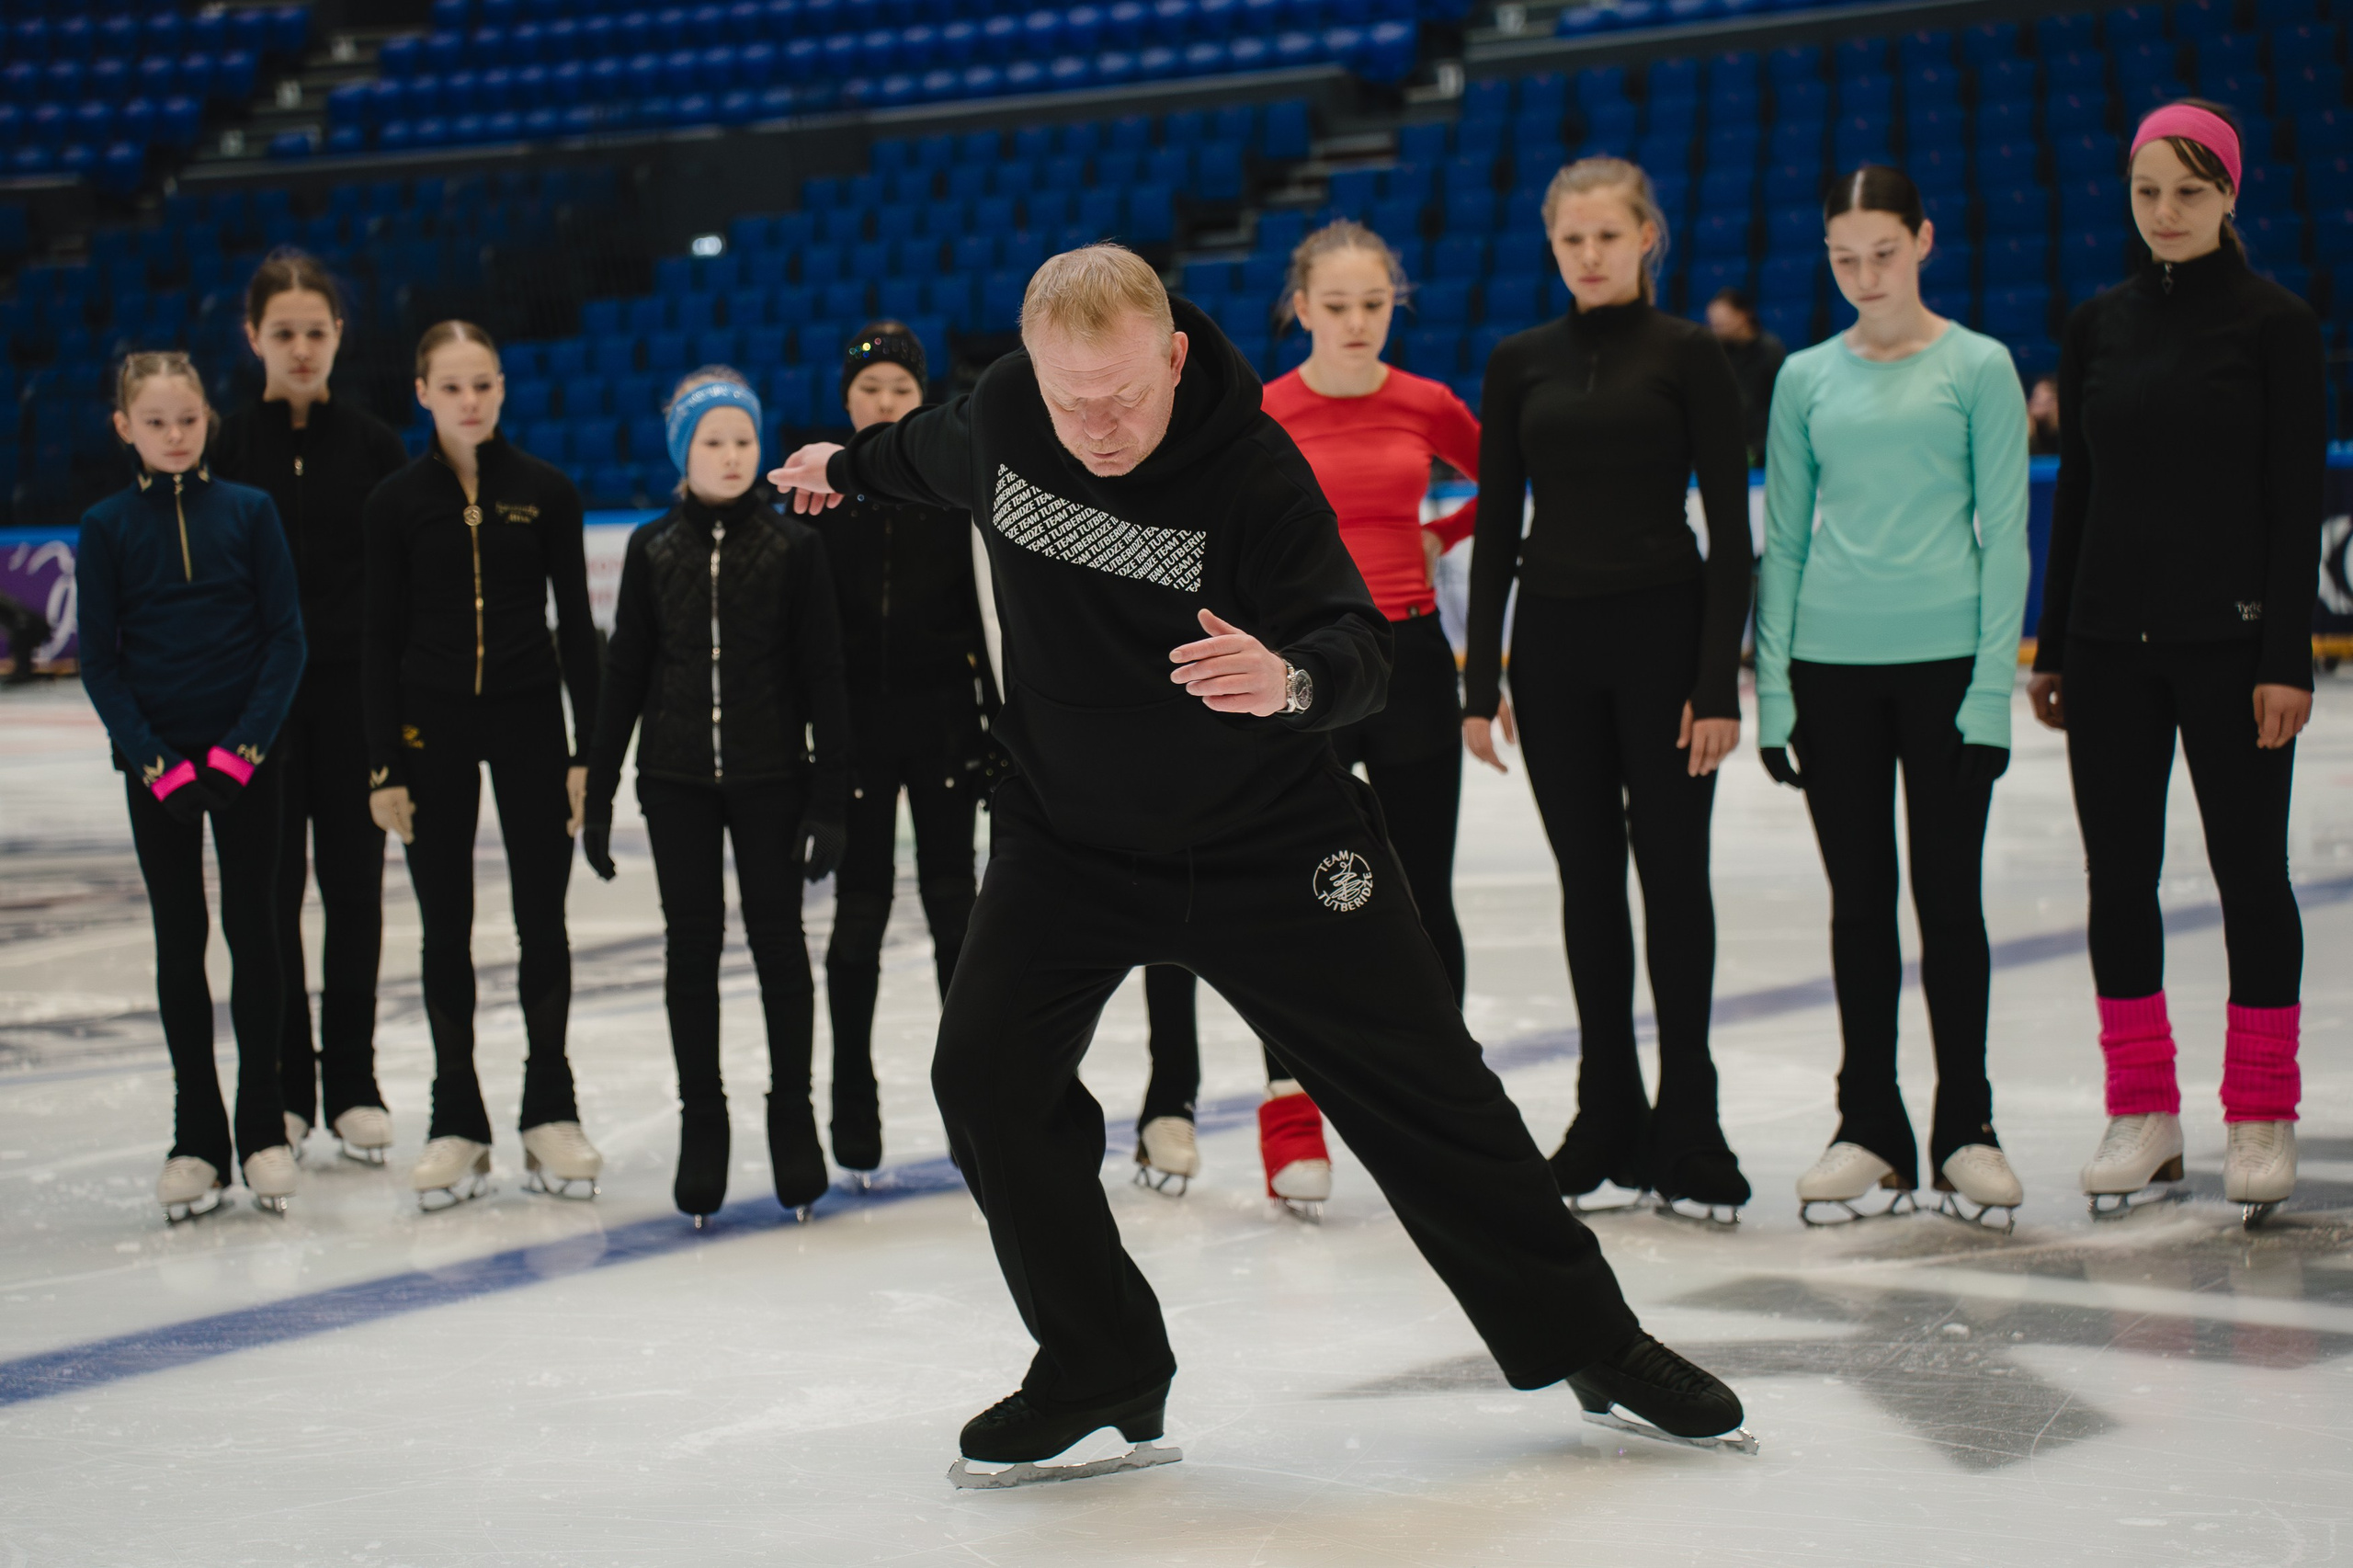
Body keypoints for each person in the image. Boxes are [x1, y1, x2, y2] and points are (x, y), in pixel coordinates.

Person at [767, 244, 1749, 1483]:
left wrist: (1290, 683)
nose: (1098, 426)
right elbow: (923, 452)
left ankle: (1590, 1337)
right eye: (1073, 399)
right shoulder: (1013, 414)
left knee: (1429, 1085)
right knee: (985, 1082)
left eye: (1124, 394)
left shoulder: (1249, 468)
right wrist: (839, 465)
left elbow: (1358, 639)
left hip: (1271, 839)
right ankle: (1101, 1359)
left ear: (1175, 353)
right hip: (1068, 837)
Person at [1133, 220, 1482, 1213]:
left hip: (1408, 661)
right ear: (1299, 308)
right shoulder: (1264, 413)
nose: (1358, 321)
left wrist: (1435, 532)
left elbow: (1499, 480)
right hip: (1298, 670)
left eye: (1375, 304)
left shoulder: (1426, 403)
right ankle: (1291, 1111)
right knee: (1297, 894)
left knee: (1419, 892)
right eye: (1336, 305)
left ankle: (1441, 1109)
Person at [2029, 102, 2323, 1226]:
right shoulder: (2094, 323)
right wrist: (2054, 644)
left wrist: (2284, 655)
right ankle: (2142, 1112)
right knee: (2119, 880)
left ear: (2228, 197)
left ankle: (2259, 1113)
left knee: (2251, 875)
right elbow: (2081, 499)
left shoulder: (2273, 325)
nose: (2164, 211)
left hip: (2233, 649)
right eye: (2148, 190)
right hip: (2108, 653)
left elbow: (2294, 502)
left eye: (2188, 192)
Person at [1464, 157, 1756, 1220]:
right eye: (1569, 239)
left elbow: (1731, 532)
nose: (1587, 254)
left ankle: (1690, 1120)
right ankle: (1605, 1112)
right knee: (1588, 884)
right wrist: (1477, 674)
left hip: (1665, 642)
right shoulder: (1517, 361)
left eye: (1606, 236)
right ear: (1553, 247)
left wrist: (1716, 677)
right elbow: (1498, 521)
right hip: (1550, 649)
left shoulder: (1689, 355)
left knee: (1673, 878)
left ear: (1646, 239)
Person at [1755, 166, 2033, 1227]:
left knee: (1948, 900)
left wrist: (1990, 692)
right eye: (1842, 258)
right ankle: (1868, 1124)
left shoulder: (1979, 367)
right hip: (1830, 671)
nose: (1864, 275)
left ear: (1922, 241)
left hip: (1943, 666)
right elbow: (1782, 540)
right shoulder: (1804, 377)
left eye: (1882, 251)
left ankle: (1966, 1125)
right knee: (1859, 904)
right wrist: (1774, 691)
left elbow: (2003, 536)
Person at [580, 366, 851, 1223]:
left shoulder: (797, 550)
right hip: (677, 780)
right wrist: (597, 787)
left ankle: (793, 1124)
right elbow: (624, 672)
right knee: (690, 949)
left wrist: (831, 797)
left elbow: (824, 679)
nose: (731, 455)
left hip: (774, 776)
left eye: (742, 439)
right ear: (681, 452)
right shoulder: (651, 548)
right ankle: (705, 1128)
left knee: (779, 947)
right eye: (712, 441)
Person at [361, 321, 604, 1210]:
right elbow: (376, 638)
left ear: (502, 389)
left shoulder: (545, 491)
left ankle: (551, 1107)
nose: (471, 401)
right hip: (431, 729)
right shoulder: (394, 501)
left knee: (544, 919)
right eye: (452, 386)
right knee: (444, 926)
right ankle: (456, 1117)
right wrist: (382, 761)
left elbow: (577, 626)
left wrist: (590, 752)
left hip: (532, 720)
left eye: (485, 385)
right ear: (421, 393)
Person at [78, 351, 307, 1221]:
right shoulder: (105, 527)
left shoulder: (248, 513)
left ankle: (262, 1131)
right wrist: (156, 763)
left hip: (246, 765)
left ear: (208, 419)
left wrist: (241, 750)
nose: (174, 437)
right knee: (182, 940)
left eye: (188, 420)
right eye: (155, 423)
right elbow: (98, 660)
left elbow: (285, 639)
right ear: (124, 429)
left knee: (258, 934)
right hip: (160, 770)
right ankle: (197, 1136)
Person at [210, 248, 412, 1167]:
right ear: (253, 337)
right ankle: (288, 1084)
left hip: (347, 699)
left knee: (354, 892)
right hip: (255, 702)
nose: (300, 348)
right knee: (270, 894)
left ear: (340, 339)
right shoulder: (223, 449)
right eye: (283, 333)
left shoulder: (373, 444)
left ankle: (355, 1081)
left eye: (316, 332)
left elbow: (394, 584)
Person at [806, 323, 995, 1178]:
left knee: (956, 916)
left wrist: (1000, 727)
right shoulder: (817, 496)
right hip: (854, 737)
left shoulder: (955, 493)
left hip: (946, 728)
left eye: (901, 391)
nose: (885, 402)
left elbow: (991, 620)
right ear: (847, 400)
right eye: (871, 389)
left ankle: (972, 1106)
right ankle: (852, 1090)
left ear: (925, 403)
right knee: (860, 916)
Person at [1705, 286, 1786, 468]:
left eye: (1722, 322)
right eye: (1714, 324)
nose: (1716, 329)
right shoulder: (1717, 353)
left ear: (1743, 316)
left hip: (1766, 442)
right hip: (1730, 440)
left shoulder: (1770, 350)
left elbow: (1780, 400)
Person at [0, 587, 51, 685]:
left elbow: (18, 612)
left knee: (18, 640)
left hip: (34, 627)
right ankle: (22, 671)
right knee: (17, 640)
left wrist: (20, 626)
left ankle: (23, 672)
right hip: (29, 626)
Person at [2027, 374, 2062, 456]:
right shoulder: (2033, 430)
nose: (2031, 403)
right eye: (2033, 396)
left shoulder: (2069, 438)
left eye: (2037, 397)